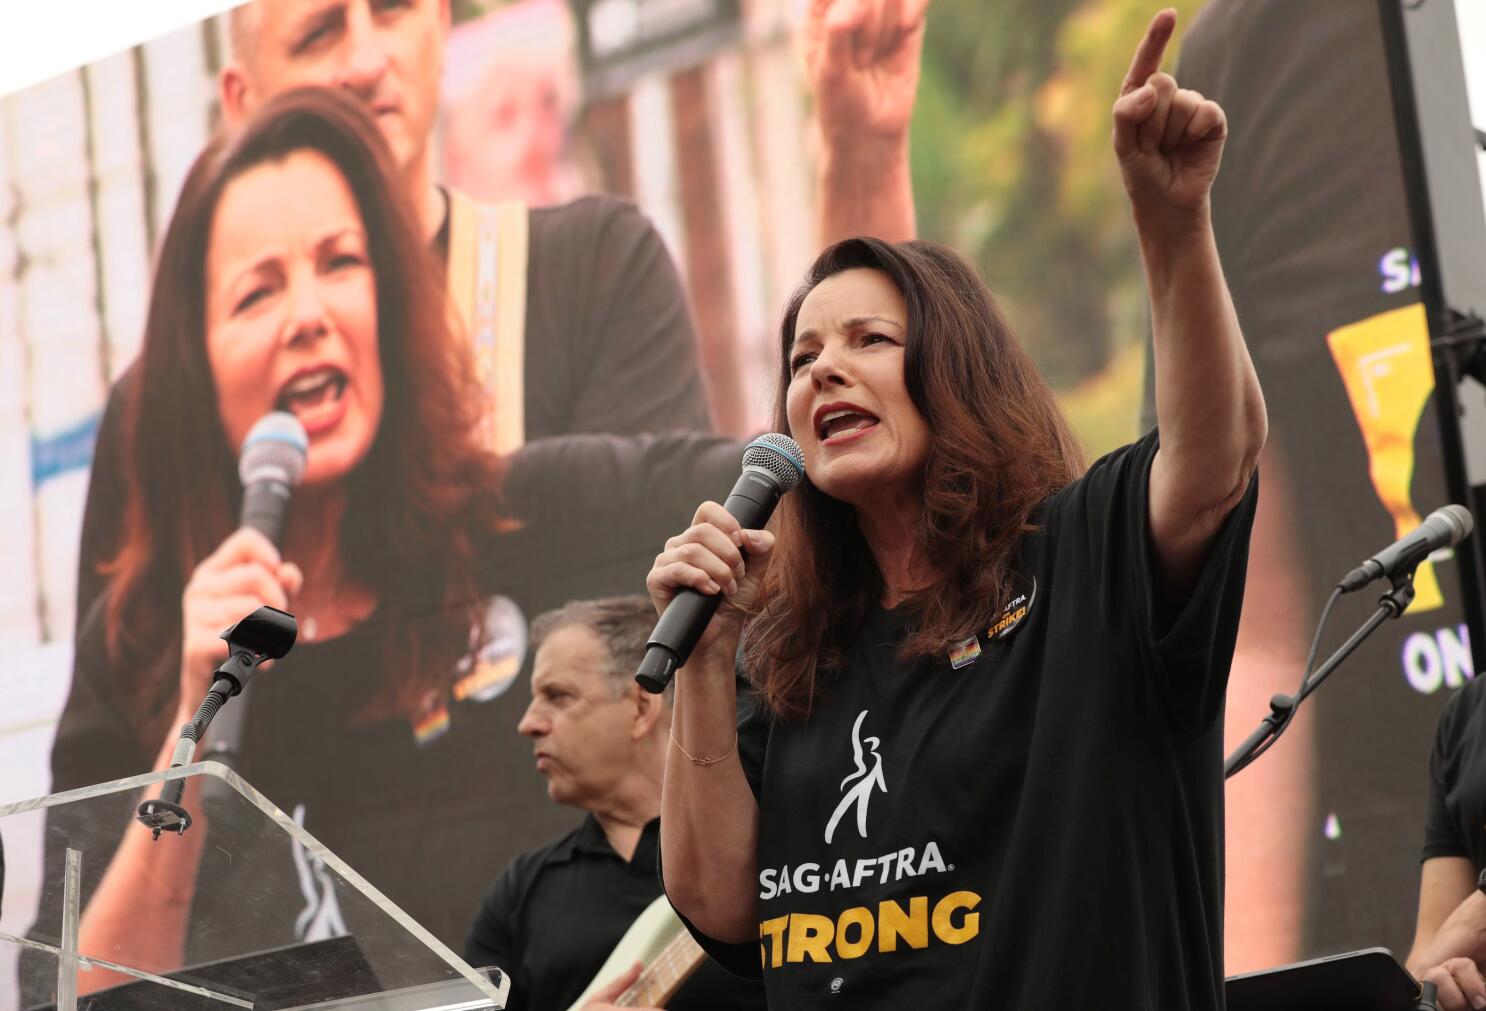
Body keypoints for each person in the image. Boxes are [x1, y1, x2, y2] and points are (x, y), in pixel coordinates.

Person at [25, 88, 743, 1002]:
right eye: (257, 290)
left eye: (341, 262)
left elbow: (777, 490)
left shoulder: (524, 520)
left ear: (391, 308)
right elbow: (70, 991)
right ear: (191, 369)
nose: (309, 312)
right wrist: (191, 725)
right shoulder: (137, 640)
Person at [647, 10, 1266, 1007]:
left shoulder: (1079, 563)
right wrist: (709, 659)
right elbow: (721, 907)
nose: (823, 372)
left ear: (959, 374)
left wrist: (1172, 224)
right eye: (802, 359)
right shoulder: (796, 659)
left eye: (868, 343)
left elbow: (1212, 462)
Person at [464, 596, 764, 1010]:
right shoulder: (519, 893)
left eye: (558, 696)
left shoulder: (759, 850)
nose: (528, 723)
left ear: (642, 707)